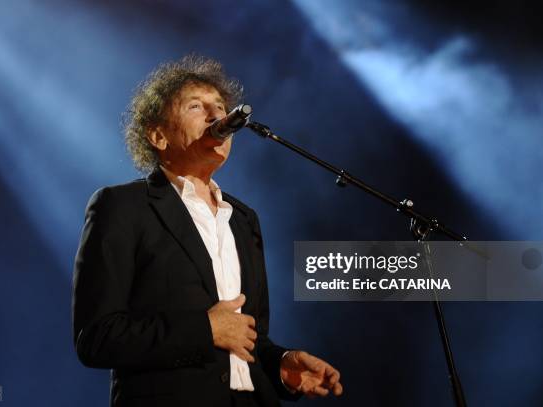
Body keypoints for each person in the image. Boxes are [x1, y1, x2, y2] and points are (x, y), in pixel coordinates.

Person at [72, 55, 343, 407]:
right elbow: (97, 338)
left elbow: (248, 336)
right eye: (197, 107)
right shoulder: (122, 207)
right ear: (158, 135)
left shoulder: (244, 219)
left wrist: (280, 366)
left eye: (221, 107)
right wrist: (205, 331)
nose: (218, 117)